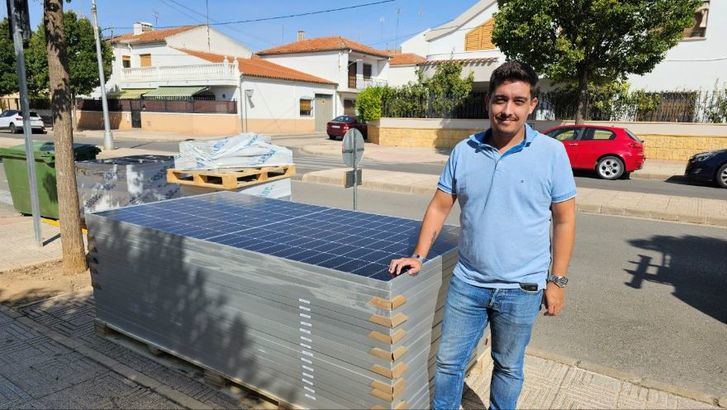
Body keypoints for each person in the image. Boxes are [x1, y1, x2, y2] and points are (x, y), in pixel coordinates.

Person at [389, 60, 577, 410]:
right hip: (468, 283)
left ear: (532, 104)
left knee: (508, 366)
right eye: (500, 100)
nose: (508, 111)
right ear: (488, 101)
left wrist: (558, 281)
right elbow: (439, 206)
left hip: (522, 288)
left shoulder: (552, 154)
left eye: (518, 101)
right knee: (448, 364)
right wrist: (418, 255)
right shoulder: (464, 151)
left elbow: (564, 220)